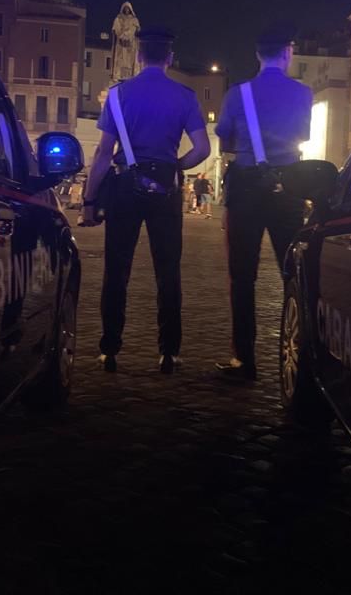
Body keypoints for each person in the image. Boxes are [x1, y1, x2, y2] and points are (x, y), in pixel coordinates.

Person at [82, 27, 211, 374]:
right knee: (168, 271)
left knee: (116, 270)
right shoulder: (184, 96)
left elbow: (102, 153)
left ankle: (110, 349)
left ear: (139, 56)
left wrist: (89, 199)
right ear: (170, 58)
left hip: (125, 186)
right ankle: (169, 352)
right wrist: (175, 166)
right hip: (165, 188)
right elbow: (202, 149)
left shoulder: (118, 96)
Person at [215, 24, 312, 381]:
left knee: (242, 276)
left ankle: (244, 359)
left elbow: (225, 138)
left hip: (245, 183)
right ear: (288, 53)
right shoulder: (303, 93)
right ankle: (301, 355)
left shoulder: (237, 94)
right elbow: (303, 134)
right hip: (289, 184)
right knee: (294, 273)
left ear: (257, 54)